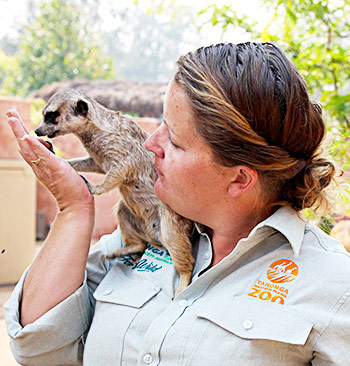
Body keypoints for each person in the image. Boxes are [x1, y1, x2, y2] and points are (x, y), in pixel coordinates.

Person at [4, 42, 350, 366]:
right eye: (160, 126)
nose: (151, 144)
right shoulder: (139, 237)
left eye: (175, 139)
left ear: (239, 179)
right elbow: (38, 347)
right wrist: (74, 207)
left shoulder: (333, 288)